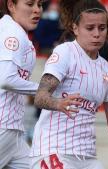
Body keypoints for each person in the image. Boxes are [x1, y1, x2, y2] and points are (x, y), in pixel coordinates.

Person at [29, 0, 108, 168]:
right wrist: (58, 103)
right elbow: (40, 97)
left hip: (87, 157)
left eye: (102, 28)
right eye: (90, 28)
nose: (97, 34)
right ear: (76, 28)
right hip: (53, 150)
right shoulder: (65, 52)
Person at [0, 0, 43, 168]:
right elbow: (6, 79)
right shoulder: (13, 33)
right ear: (11, 5)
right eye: (30, 4)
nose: (36, 10)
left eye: (39, 4)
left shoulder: (9, 28)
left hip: (13, 131)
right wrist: (44, 91)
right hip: (3, 126)